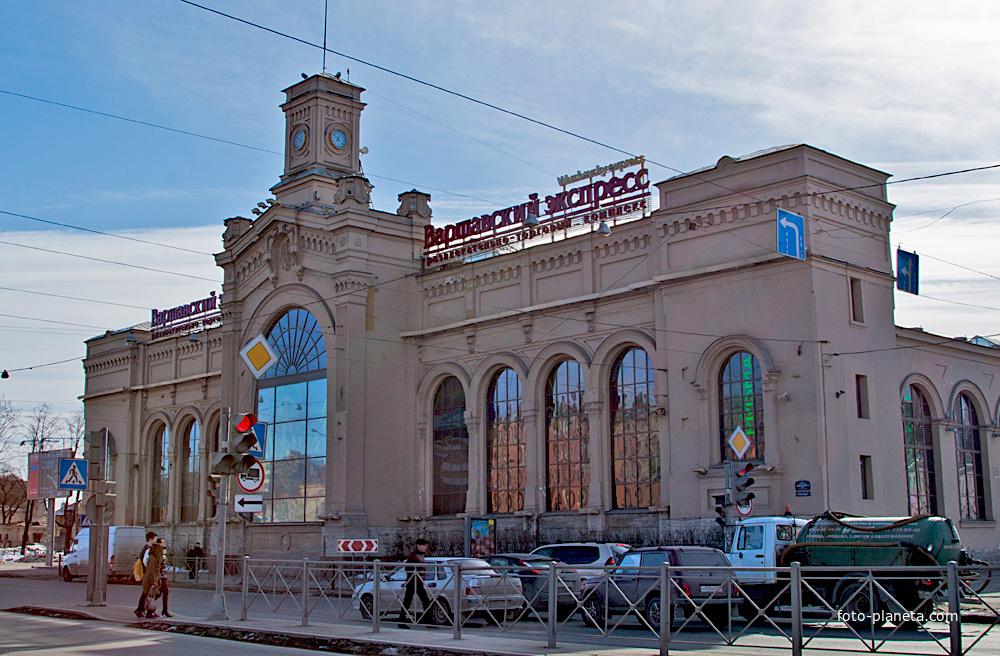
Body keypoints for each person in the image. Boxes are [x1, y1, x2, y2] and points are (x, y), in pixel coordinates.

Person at [397, 538, 431, 628]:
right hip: (413, 582)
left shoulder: (421, 555)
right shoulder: (413, 555)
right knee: (411, 601)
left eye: (426, 546)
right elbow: (408, 568)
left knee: (423, 601)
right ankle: (402, 620)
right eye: (424, 545)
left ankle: (427, 620)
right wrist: (415, 575)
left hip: (418, 582)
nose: (425, 547)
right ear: (418, 545)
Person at [136, 539, 163, 618]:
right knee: (149, 595)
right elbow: (151, 571)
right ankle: (147, 611)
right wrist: (153, 583)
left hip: (151, 579)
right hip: (149, 580)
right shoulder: (153, 558)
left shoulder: (154, 558)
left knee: (148, 595)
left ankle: (144, 611)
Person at [134, 531, 157, 619]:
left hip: (147, 573)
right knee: (146, 593)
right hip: (147, 573)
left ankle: (143, 610)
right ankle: (142, 610)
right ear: (150, 539)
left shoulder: (147, 548)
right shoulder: (148, 548)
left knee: (147, 593)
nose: (155, 541)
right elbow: (145, 561)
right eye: (154, 539)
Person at [155, 537, 172, 617]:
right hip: (160, 576)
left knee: (161, 593)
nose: (164, 544)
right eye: (162, 542)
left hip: (163, 575)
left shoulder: (163, 551)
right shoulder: (157, 552)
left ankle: (164, 610)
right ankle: (146, 606)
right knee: (163, 592)